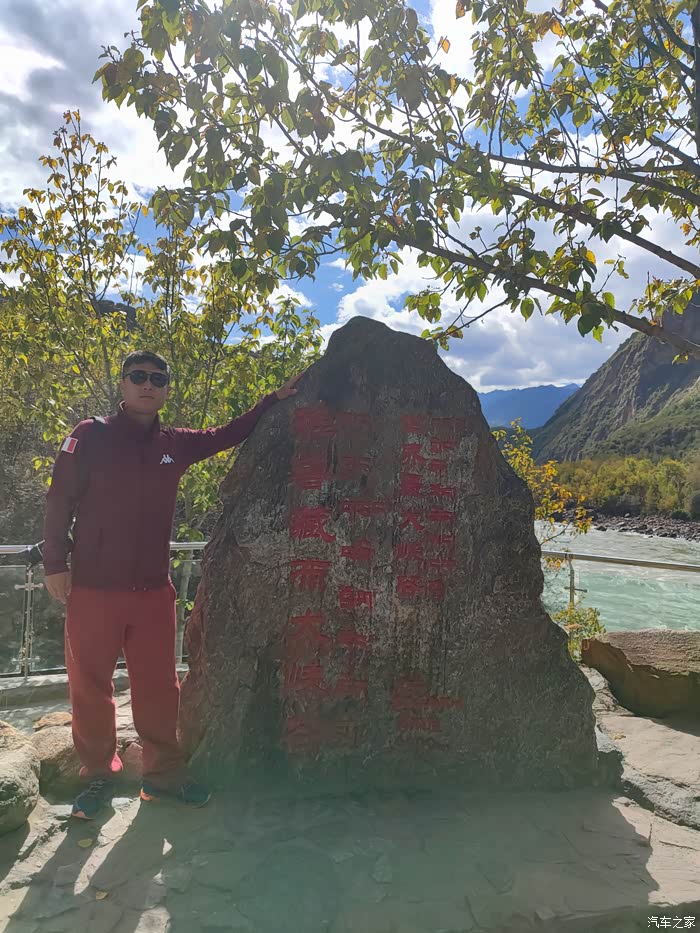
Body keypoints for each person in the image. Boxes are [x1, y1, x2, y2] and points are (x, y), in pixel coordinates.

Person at [43, 350, 302, 820]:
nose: (148, 384)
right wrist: (55, 564)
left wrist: (273, 400)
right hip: (94, 589)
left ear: (166, 389)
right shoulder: (90, 435)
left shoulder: (174, 443)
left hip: (153, 591)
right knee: (91, 685)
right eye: (138, 376)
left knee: (160, 686)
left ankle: (162, 775)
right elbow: (59, 500)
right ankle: (98, 773)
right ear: (123, 384)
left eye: (157, 379)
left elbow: (227, 434)